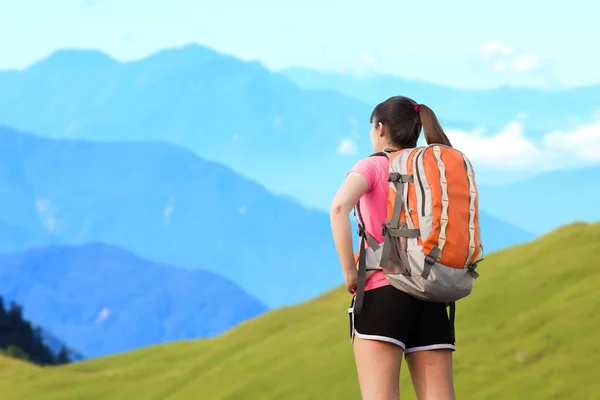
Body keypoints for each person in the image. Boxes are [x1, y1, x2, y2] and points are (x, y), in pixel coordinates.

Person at [330, 96, 456, 400]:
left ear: (381, 128)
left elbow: (338, 209)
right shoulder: (430, 170)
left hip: (382, 292)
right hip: (431, 293)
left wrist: (350, 272)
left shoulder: (372, 165)